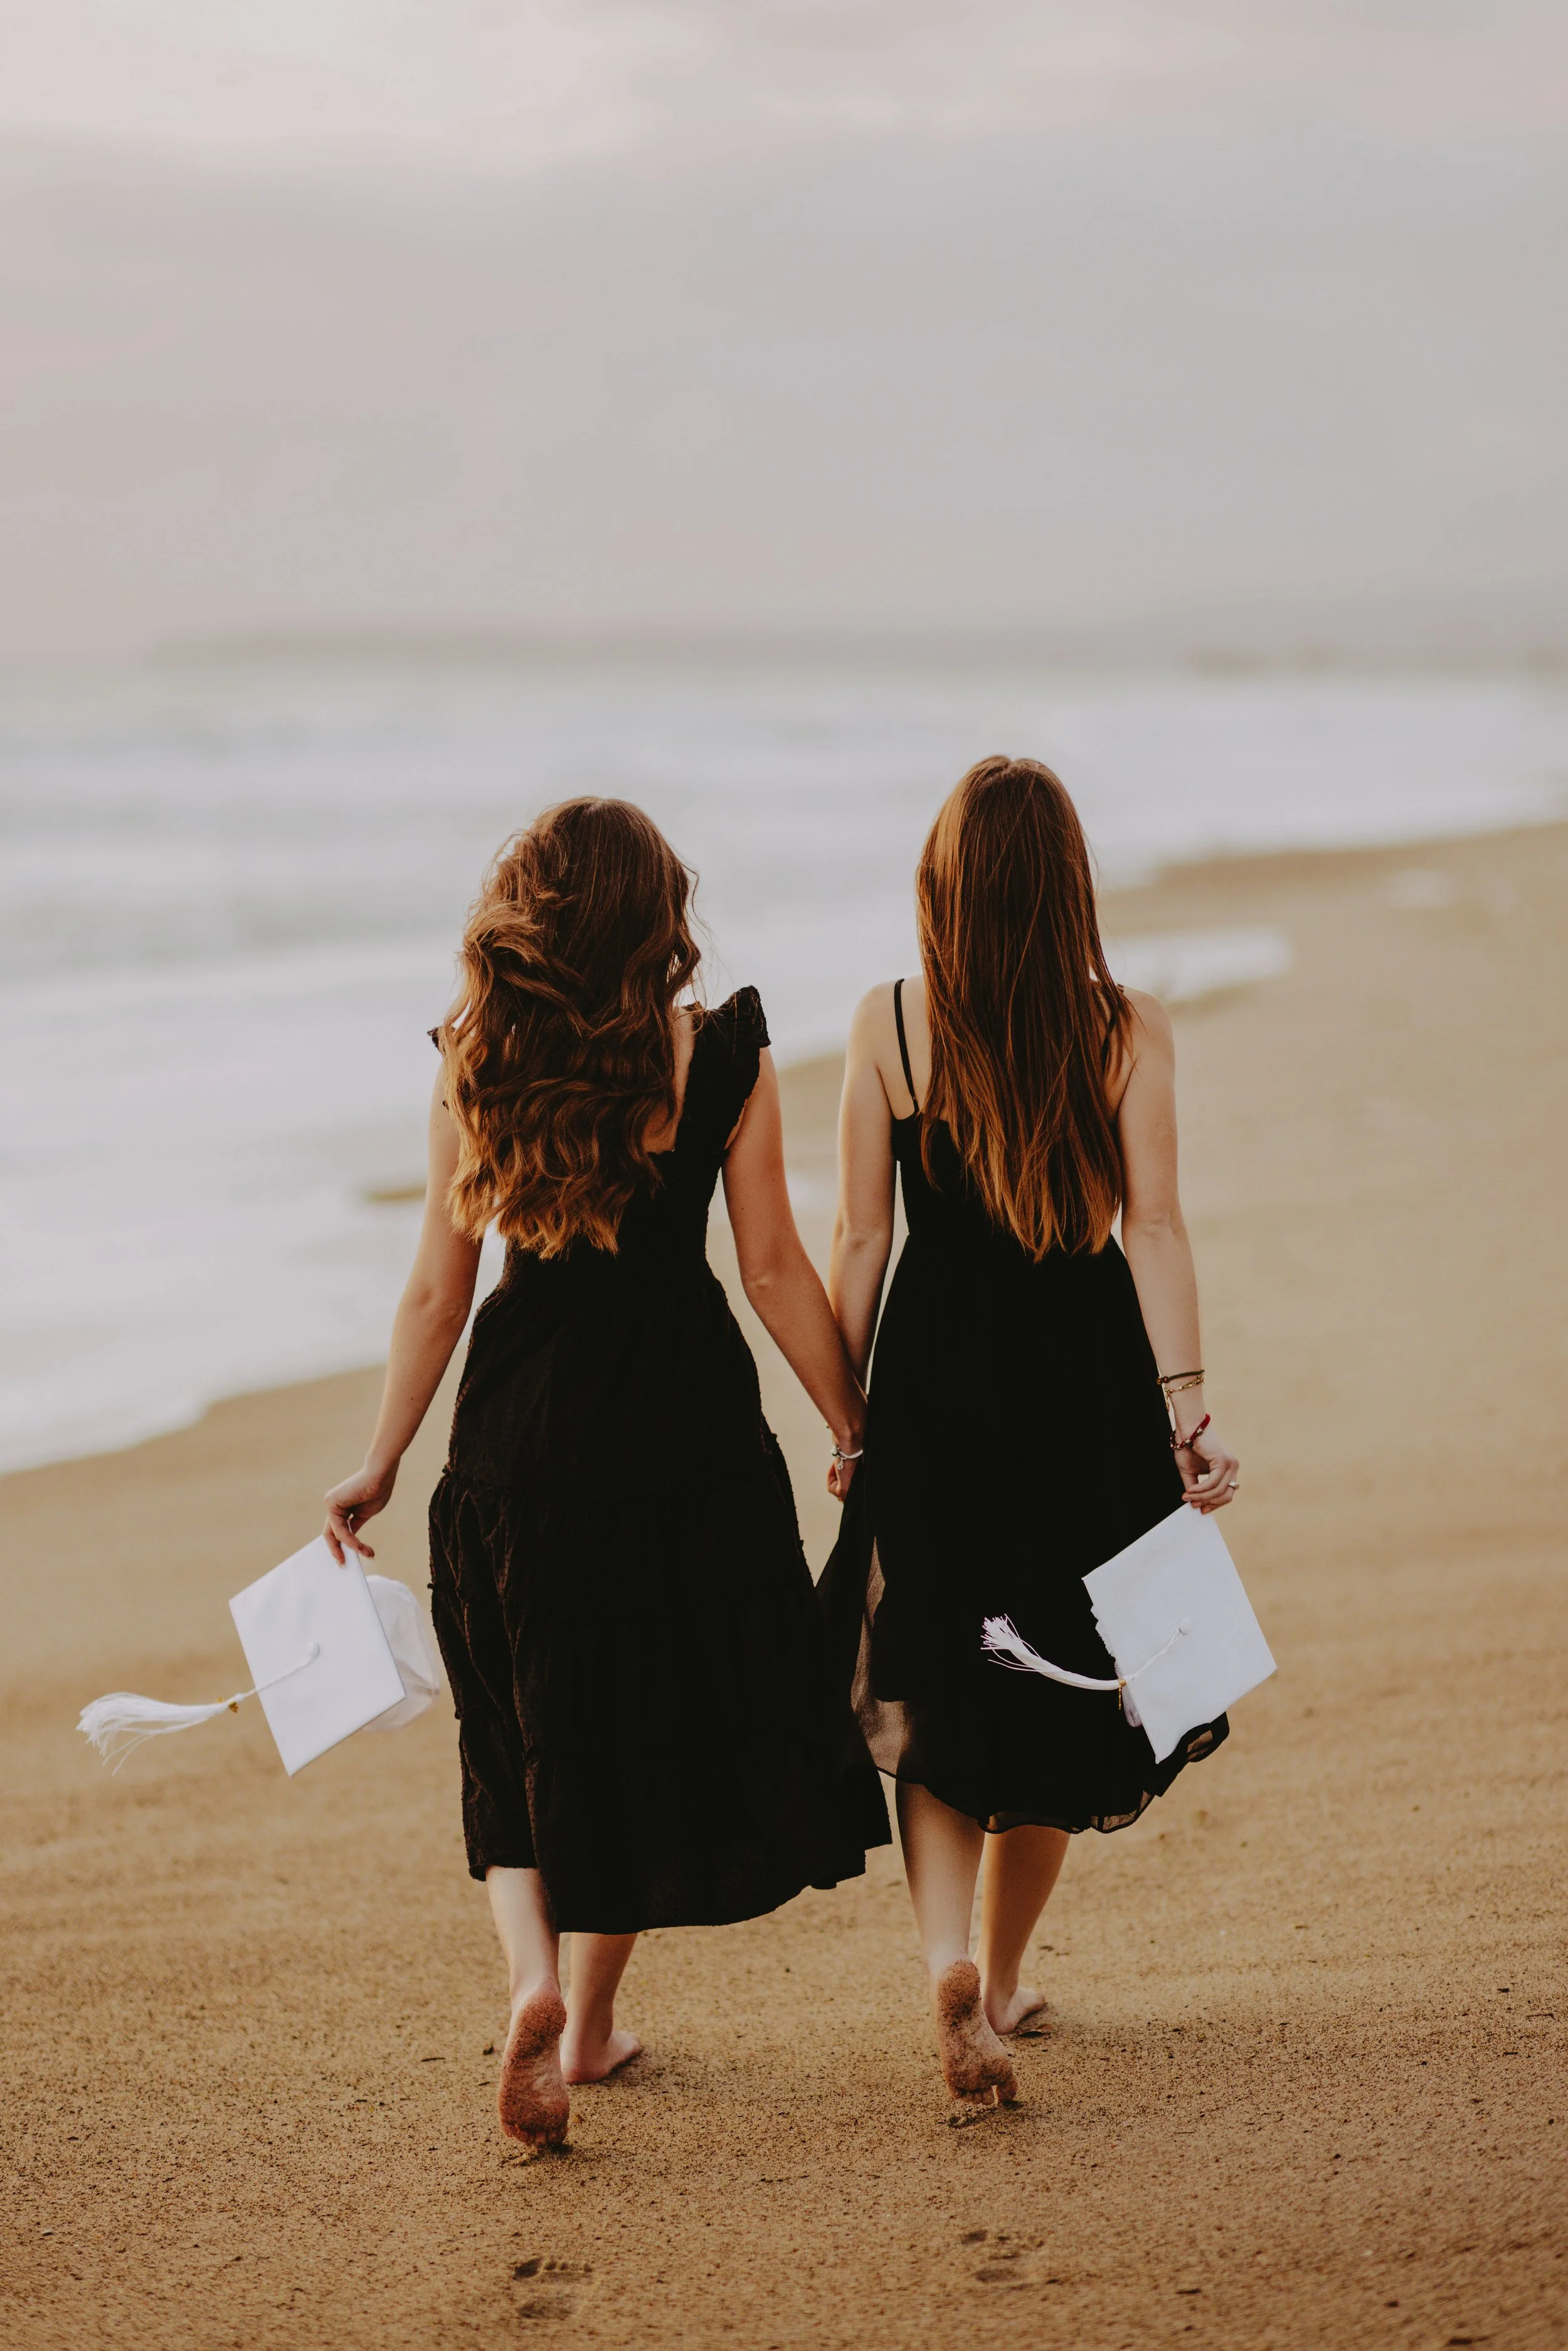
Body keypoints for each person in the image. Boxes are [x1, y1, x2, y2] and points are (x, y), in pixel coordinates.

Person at [324, 798, 887, 2150]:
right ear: (657, 916)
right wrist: (853, 1424)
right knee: (632, 1735)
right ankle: (584, 2024)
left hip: (517, 1442)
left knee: (519, 1739)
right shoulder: (720, 1057)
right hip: (681, 1439)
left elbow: (433, 1293)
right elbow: (768, 1268)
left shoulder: (476, 1060)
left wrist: (380, 1458)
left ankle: (531, 1984)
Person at [821, 755, 1239, 2110]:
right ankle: (997, 1981)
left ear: (939, 883)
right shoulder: (1122, 1023)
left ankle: (944, 1956)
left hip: (935, 1383)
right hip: (1082, 1384)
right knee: (1068, 1680)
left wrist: (844, 1407)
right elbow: (1153, 1224)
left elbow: (859, 1237)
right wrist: (1184, 1404)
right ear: (1068, 885)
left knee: (937, 1678)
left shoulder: (887, 1025)